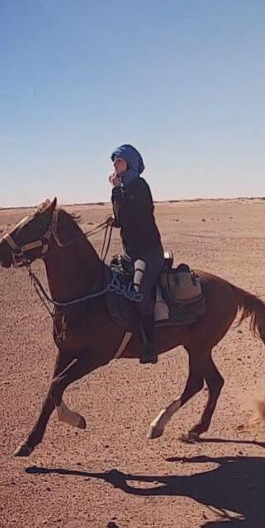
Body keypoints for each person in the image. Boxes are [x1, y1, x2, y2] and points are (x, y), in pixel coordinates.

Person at [109, 144, 163, 364]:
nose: (115, 166)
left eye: (119, 161)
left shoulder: (139, 187)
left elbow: (131, 217)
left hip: (148, 253)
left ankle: (150, 344)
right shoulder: (124, 190)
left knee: (139, 292)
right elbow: (122, 219)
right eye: (114, 163)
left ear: (129, 163)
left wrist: (115, 191)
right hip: (130, 253)